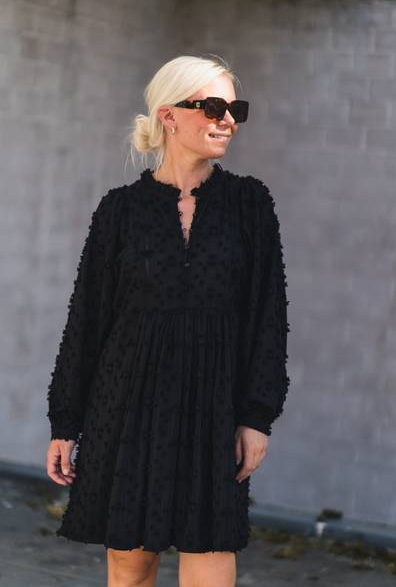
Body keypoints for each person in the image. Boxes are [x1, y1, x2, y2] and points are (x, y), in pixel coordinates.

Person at [46, 53, 290, 587]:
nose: (227, 120)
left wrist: (256, 416)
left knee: (211, 561)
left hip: (213, 409)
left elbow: (268, 317)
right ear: (168, 115)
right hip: (125, 407)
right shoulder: (119, 211)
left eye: (235, 109)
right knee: (130, 569)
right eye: (213, 107)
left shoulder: (250, 204)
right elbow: (86, 320)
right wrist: (65, 422)